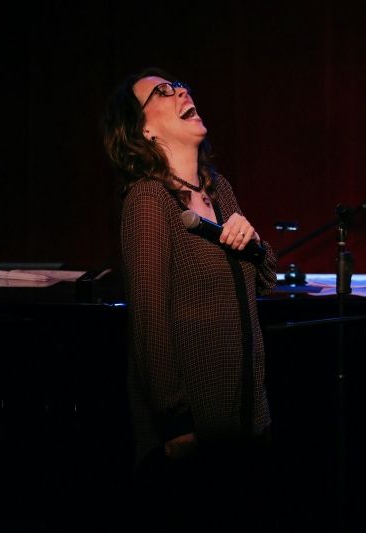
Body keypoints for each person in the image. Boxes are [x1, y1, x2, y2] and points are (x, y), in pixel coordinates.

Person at [101, 67, 278, 530]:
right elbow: (148, 323)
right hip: (190, 434)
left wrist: (256, 244)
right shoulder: (148, 200)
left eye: (180, 85)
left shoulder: (218, 190)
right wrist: (176, 424)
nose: (181, 91)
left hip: (244, 421)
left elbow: (265, 281)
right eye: (162, 91)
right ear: (143, 128)